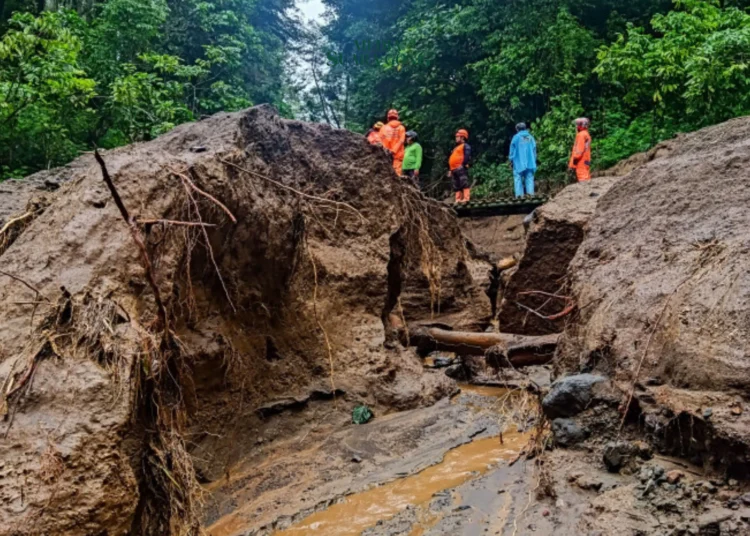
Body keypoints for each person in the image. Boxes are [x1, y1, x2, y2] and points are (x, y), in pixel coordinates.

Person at [509, 122, 537, 197]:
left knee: (518, 179)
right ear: (525, 128)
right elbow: (534, 150)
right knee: (529, 178)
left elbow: (512, 150)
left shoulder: (516, 138)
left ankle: (519, 196)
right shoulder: (530, 137)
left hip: (518, 162)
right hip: (530, 162)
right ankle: (530, 195)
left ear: (517, 129)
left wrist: (511, 160)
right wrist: (534, 160)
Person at [379, 109, 406, 175]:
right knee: (396, 175)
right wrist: (393, 151)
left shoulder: (383, 128)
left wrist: (386, 151)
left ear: (388, 118)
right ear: (397, 117)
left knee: (385, 174)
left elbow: (380, 142)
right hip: (397, 156)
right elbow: (401, 141)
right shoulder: (401, 128)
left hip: (385, 155)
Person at [449, 129, 472, 203]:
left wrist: (464, 164)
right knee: (456, 184)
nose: (456, 138)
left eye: (457, 136)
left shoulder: (465, 146)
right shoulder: (455, 148)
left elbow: (467, 155)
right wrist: (450, 169)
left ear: (462, 137)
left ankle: (466, 198)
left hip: (460, 167)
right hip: (453, 168)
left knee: (464, 182)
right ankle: (458, 199)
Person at [569, 117, 592, 182]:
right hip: (586, 160)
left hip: (581, 161)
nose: (576, 126)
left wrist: (574, 161)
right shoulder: (586, 134)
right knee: (586, 177)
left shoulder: (581, 135)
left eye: (577, 125)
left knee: (583, 179)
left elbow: (579, 151)